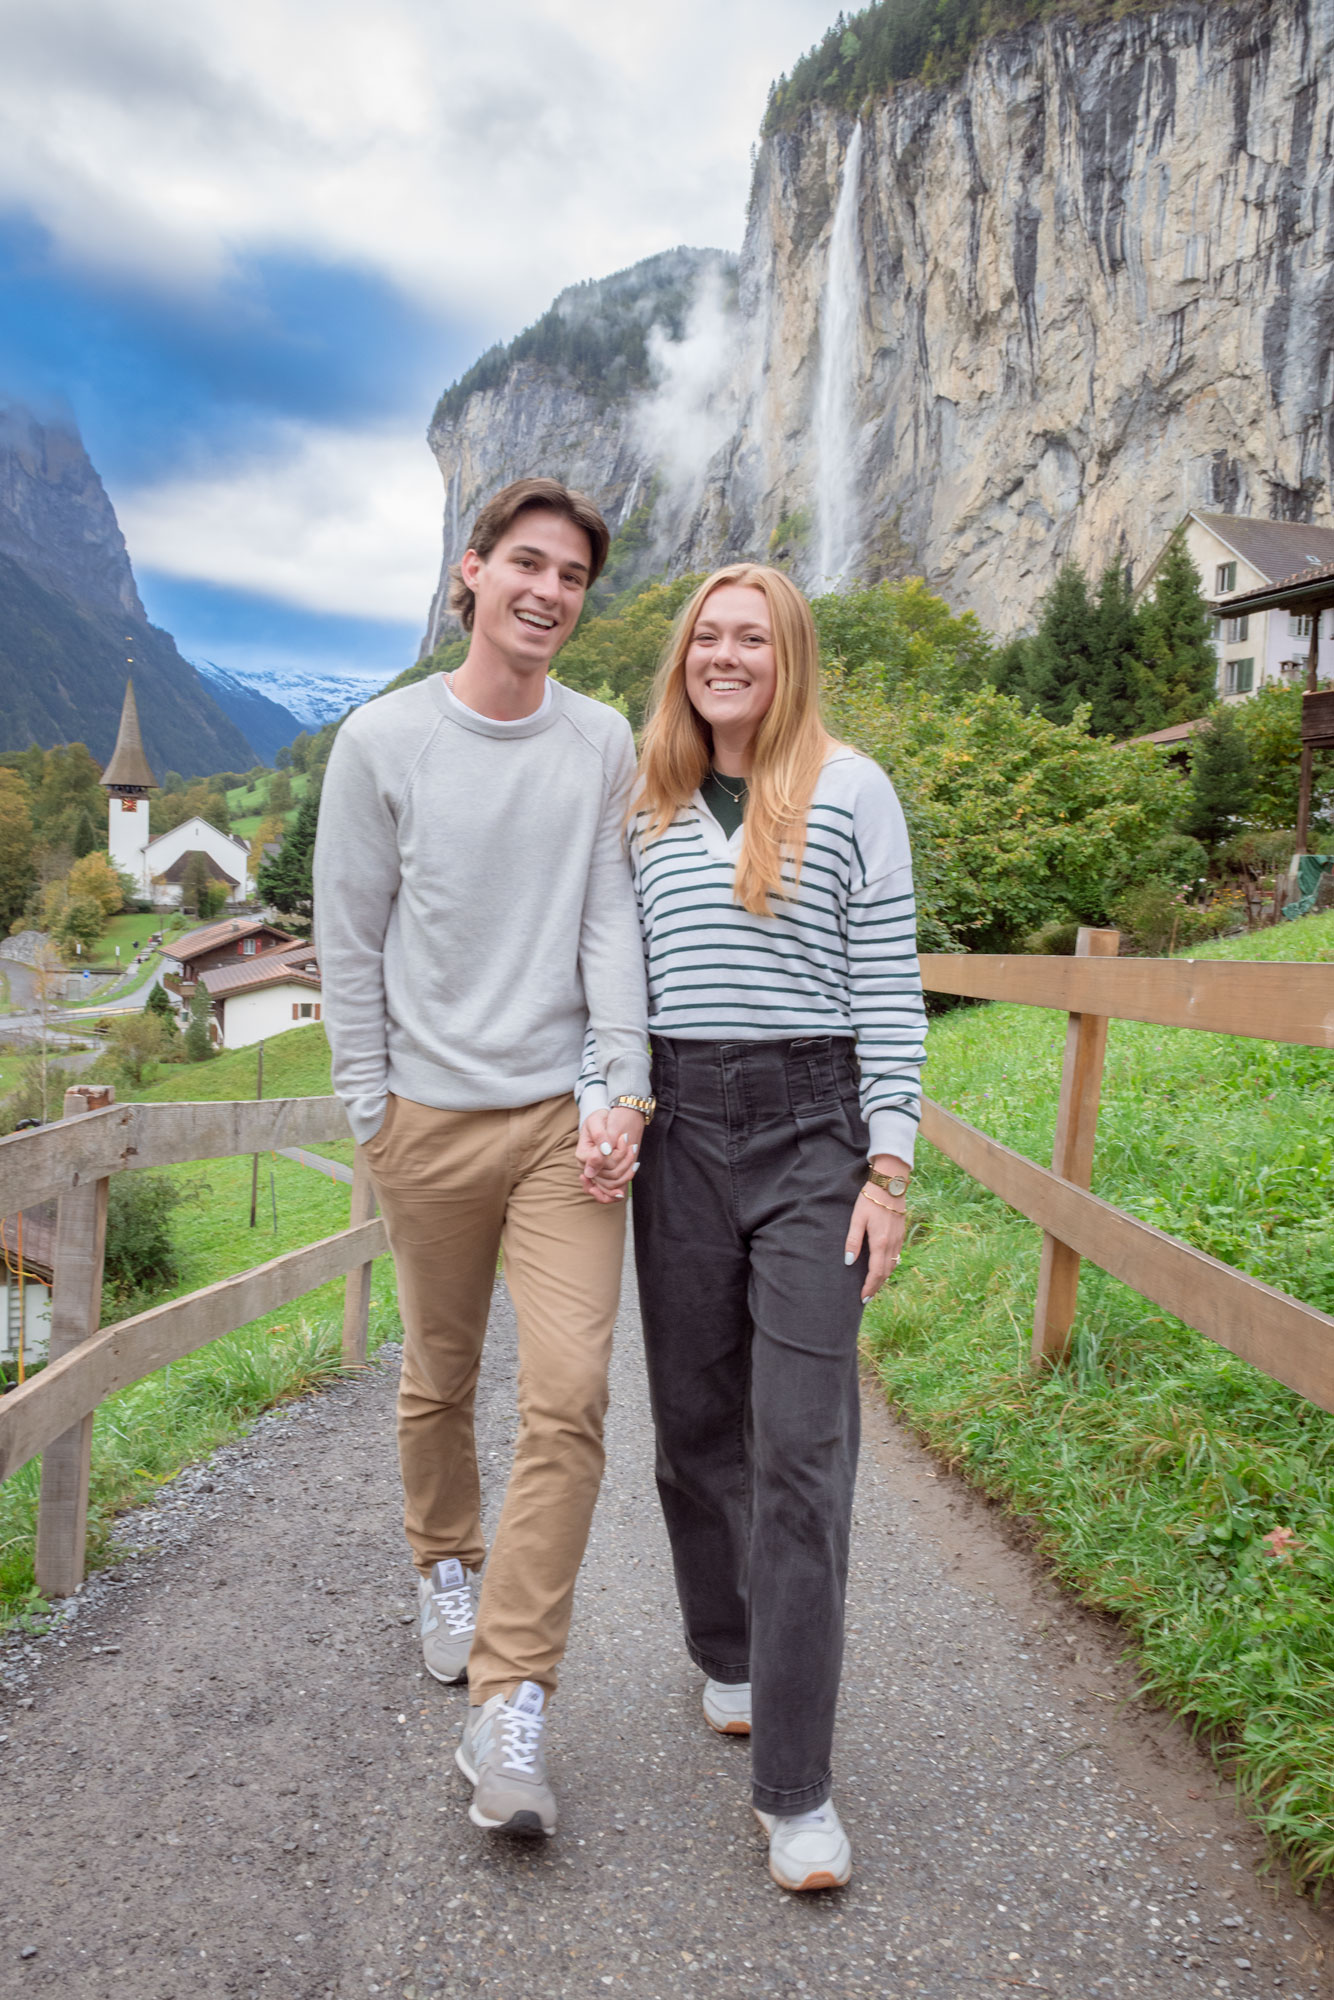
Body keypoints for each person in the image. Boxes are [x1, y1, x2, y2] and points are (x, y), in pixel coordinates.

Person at [314, 477, 650, 1840]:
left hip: (558, 1123)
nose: (547, 592)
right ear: (472, 573)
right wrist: (367, 1108)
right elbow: (347, 934)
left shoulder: (600, 742)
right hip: (425, 1124)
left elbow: (610, 921)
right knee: (440, 1372)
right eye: (526, 564)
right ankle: (441, 1560)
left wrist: (620, 1080)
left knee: (567, 1392)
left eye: (570, 576)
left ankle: (510, 1703)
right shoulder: (380, 742)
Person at [607, 562, 926, 1892]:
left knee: (801, 1457)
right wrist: (606, 1100)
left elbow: (888, 983)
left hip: (810, 1133)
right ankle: (726, 1650)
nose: (723, 655)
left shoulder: (851, 789)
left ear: (786, 654)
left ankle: (794, 1789)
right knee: (691, 1433)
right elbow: (609, 984)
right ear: (682, 656)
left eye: (750, 637)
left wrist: (887, 1166)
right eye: (706, 637)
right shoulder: (644, 800)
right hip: (677, 1130)